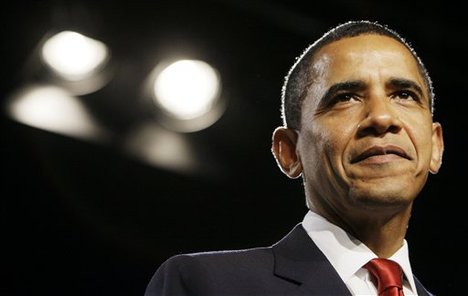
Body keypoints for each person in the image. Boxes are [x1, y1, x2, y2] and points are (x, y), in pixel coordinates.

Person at [144, 20, 444, 296]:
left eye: (404, 94)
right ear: (289, 152)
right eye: (345, 98)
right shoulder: (208, 284)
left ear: (435, 145)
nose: (381, 117)